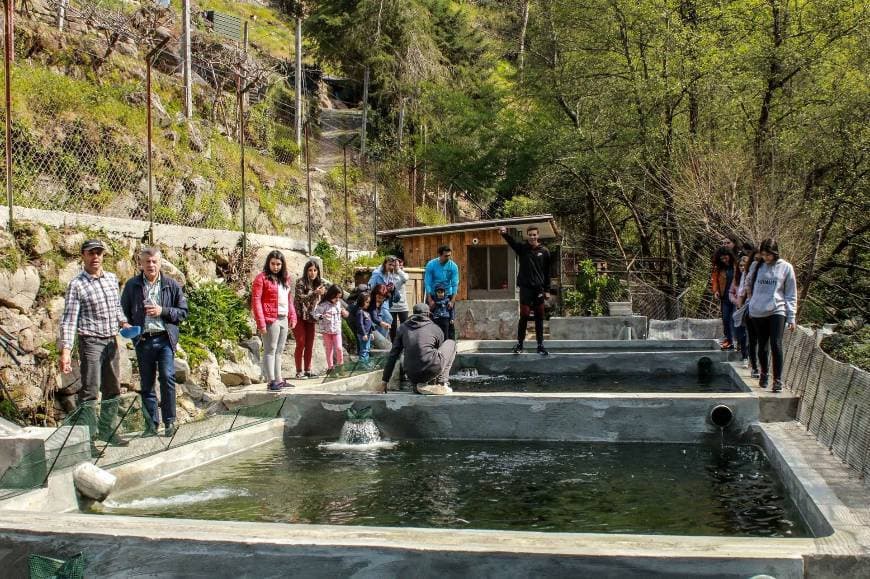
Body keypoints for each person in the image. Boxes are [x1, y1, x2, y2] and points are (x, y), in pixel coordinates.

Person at [59, 239, 131, 447]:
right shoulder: (77, 284)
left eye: (99, 253)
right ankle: (87, 440)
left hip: (111, 341)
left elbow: (116, 308)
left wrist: (124, 322)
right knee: (90, 391)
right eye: (91, 253)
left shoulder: (111, 279)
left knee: (113, 388)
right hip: (90, 342)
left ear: (103, 256)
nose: (95, 257)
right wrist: (66, 351)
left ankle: (107, 431)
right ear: (83, 256)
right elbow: (69, 319)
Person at [121, 247, 189, 436]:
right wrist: (126, 324)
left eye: (154, 261)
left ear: (160, 263)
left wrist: (162, 311)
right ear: (141, 263)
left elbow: (183, 313)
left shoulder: (171, 285)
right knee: (147, 383)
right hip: (143, 340)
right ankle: (151, 425)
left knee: (167, 377)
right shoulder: (132, 285)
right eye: (147, 262)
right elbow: (123, 311)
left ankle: (169, 422)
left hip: (164, 339)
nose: (151, 265)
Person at [748, 238, 797, 393]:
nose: (766, 258)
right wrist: (751, 302)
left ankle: (777, 380)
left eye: (768, 255)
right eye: (763, 255)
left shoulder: (786, 267)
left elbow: (791, 293)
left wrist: (791, 316)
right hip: (757, 311)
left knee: (776, 344)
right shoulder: (756, 266)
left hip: (777, 309)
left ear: (775, 253)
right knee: (762, 345)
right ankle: (764, 372)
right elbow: (748, 284)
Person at [380, 303, 457, 395]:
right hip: (431, 369)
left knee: (408, 356)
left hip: (412, 374)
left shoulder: (402, 328)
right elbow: (439, 354)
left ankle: (418, 385)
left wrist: (384, 381)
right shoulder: (435, 328)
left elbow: (393, 356)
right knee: (451, 343)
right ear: (428, 314)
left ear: (413, 314)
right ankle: (442, 382)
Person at [499, 225, 552, 356]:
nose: (532, 237)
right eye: (530, 235)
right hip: (525, 288)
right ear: (527, 236)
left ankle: (540, 345)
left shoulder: (544, 251)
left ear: (538, 235)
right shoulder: (522, 249)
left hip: (539, 288)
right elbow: (512, 242)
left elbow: (547, 272)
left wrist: (547, 289)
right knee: (524, 316)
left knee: (539, 317)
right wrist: (504, 233)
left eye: (535, 235)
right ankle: (520, 344)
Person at [251, 250, 298, 391]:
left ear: (282, 264)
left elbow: (289, 300)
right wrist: (261, 323)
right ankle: (271, 381)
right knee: (270, 350)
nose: (276, 267)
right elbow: (256, 301)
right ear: (268, 263)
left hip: (283, 317)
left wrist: (293, 315)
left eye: (278, 264)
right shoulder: (261, 278)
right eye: (273, 263)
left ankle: (279, 379)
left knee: (279, 350)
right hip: (270, 318)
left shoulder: (286, 279)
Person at [294, 260, 325, 379]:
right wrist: (315, 293)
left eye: (315, 270)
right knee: (300, 342)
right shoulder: (300, 282)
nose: (312, 273)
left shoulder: (320, 283)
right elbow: (301, 298)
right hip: (299, 316)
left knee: (310, 344)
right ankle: (298, 371)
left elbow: (324, 299)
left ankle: (307, 370)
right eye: (310, 270)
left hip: (311, 317)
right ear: (306, 271)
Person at [369, 256, 410, 340]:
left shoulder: (390, 272)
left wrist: (390, 288)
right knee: (388, 318)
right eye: (390, 265)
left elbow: (393, 283)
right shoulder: (377, 273)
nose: (391, 267)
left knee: (384, 319)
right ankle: (380, 340)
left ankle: (380, 339)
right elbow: (370, 286)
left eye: (393, 265)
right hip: (377, 299)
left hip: (385, 301)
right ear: (385, 263)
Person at [424, 245, 459, 339]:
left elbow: (455, 284)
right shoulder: (431, 264)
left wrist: (452, 301)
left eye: (449, 255)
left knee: (449, 322)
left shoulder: (453, 266)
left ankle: (451, 344)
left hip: (447, 295)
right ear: (440, 255)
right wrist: (430, 299)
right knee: (430, 320)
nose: (448, 258)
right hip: (433, 294)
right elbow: (427, 282)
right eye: (446, 256)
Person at [313, 284, 349, 374]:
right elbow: (315, 314)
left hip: (336, 330)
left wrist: (344, 313)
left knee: (339, 348)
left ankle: (341, 366)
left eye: (339, 298)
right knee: (329, 349)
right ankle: (330, 367)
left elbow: (346, 314)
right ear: (331, 295)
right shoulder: (323, 305)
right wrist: (323, 316)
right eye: (336, 297)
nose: (337, 300)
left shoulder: (338, 304)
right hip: (326, 331)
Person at [741, 249, 763, 379]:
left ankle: (762, 368)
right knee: (753, 340)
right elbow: (746, 288)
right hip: (752, 308)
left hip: (767, 310)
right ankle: (754, 366)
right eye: (756, 259)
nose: (759, 261)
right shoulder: (750, 272)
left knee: (764, 342)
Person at [712, 246, 737, 350]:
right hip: (725, 298)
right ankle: (729, 340)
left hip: (736, 298)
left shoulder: (736, 265)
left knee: (733, 319)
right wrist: (716, 291)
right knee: (726, 319)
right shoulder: (718, 269)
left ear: (730, 256)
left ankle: (736, 341)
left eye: (725, 257)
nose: (724, 260)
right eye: (721, 259)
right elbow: (714, 281)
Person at [729, 255, 749, 363]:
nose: (742, 268)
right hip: (738, 307)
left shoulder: (751, 277)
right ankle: (743, 352)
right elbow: (731, 292)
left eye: (744, 266)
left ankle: (747, 356)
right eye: (740, 266)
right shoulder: (736, 278)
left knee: (747, 333)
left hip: (749, 307)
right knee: (739, 332)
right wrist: (735, 301)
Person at [354, 292, 374, 363]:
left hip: (367, 334)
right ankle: (362, 364)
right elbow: (360, 324)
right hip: (363, 335)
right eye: (366, 302)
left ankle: (366, 362)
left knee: (367, 349)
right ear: (361, 302)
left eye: (369, 302)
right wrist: (364, 334)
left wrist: (371, 333)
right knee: (364, 350)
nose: (368, 304)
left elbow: (370, 324)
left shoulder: (367, 312)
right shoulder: (360, 312)